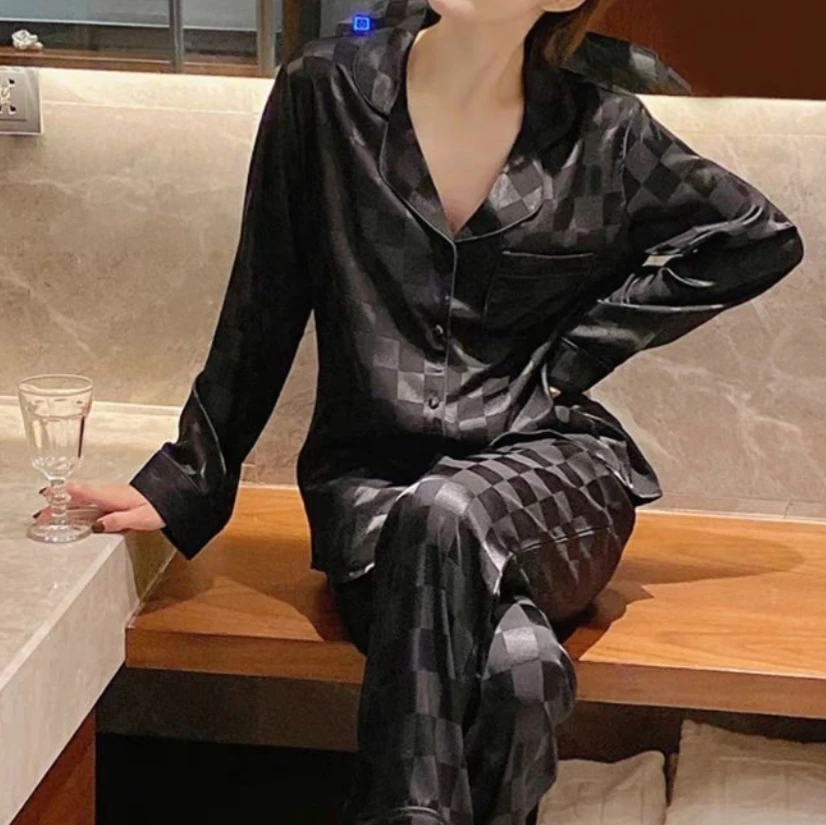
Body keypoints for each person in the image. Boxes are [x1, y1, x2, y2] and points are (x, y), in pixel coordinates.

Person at [43, 1, 804, 823]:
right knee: (519, 669)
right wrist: (190, 475)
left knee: (447, 511)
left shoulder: (605, 133)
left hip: (550, 479)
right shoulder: (325, 96)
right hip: (376, 496)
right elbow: (264, 300)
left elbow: (757, 236)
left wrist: (579, 351)